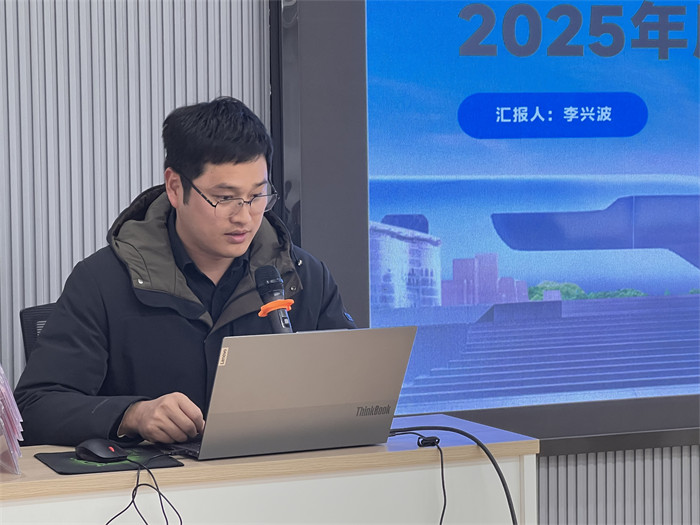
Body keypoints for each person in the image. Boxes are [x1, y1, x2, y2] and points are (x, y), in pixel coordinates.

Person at [14, 97, 356, 446]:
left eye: (257, 195)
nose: (244, 216)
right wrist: (132, 415)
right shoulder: (103, 281)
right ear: (176, 188)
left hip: (279, 475)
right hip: (151, 479)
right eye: (225, 198)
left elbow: (355, 395)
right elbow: (35, 406)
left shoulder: (303, 277)